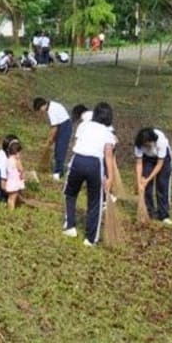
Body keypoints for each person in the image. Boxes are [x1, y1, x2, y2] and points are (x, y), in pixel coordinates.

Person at [62, 102, 117, 246]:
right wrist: (110, 177)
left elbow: (77, 142)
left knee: (70, 193)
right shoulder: (108, 133)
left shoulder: (83, 125)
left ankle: (70, 227)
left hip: (77, 160)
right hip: (95, 164)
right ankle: (90, 239)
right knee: (95, 201)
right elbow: (109, 156)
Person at [134, 127, 172, 225]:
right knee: (146, 187)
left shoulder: (161, 141)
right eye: (145, 145)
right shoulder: (138, 145)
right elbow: (139, 163)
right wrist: (139, 181)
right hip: (147, 159)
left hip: (162, 160)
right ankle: (149, 211)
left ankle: (163, 215)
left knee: (162, 185)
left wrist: (147, 179)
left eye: (149, 143)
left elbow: (159, 165)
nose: (147, 146)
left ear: (152, 140)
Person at [33, 97, 72, 181]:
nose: (41, 112)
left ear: (43, 106)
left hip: (65, 127)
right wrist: (51, 139)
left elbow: (54, 128)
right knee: (57, 150)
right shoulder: (51, 106)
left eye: (40, 109)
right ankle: (58, 170)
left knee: (60, 150)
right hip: (61, 125)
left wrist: (50, 139)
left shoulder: (51, 110)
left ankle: (58, 173)